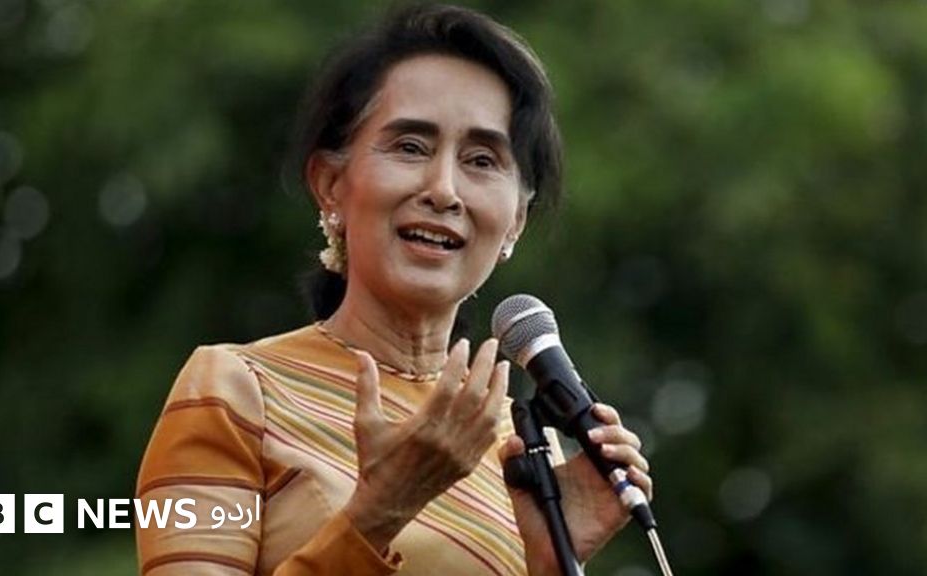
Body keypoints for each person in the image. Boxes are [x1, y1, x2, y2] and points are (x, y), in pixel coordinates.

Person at [135, 4, 652, 575]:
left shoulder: (518, 445)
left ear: (515, 221)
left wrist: (550, 563)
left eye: (482, 160)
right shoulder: (236, 392)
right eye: (410, 147)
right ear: (331, 184)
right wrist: (381, 510)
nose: (443, 190)